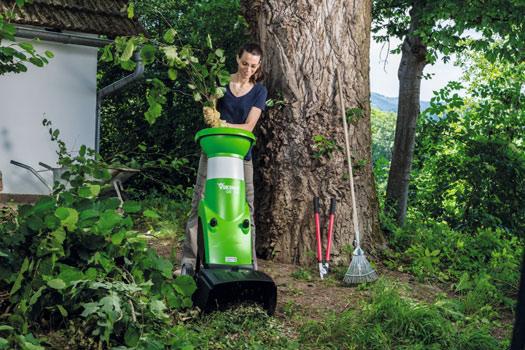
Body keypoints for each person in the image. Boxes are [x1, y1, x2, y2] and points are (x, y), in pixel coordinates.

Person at [179, 43, 267, 275]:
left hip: (241, 155)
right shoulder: (219, 83)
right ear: (237, 58)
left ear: (259, 67)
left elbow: (249, 127)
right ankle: (188, 263)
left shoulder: (259, 91)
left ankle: (249, 263)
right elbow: (211, 114)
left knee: (246, 208)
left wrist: (224, 124)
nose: (248, 69)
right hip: (213, 151)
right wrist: (211, 115)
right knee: (199, 202)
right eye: (244, 63)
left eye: (253, 66)